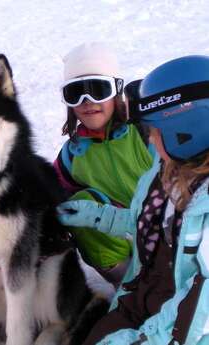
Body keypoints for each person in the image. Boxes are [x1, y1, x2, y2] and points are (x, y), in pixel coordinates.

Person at [58, 55, 209, 344]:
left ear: (188, 131)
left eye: (155, 131)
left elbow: (198, 308)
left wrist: (140, 339)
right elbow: (146, 224)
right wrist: (93, 215)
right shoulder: (164, 172)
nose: (150, 139)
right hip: (141, 292)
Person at [54, 42, 154, 286]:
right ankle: (130, 288)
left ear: (116, 90)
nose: (87, 102)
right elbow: (47, 189)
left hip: (170, 235)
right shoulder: (73, 154)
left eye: (98, 89)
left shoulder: (146, 133)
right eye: (76, 92)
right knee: (77, 206)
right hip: (124, 247)